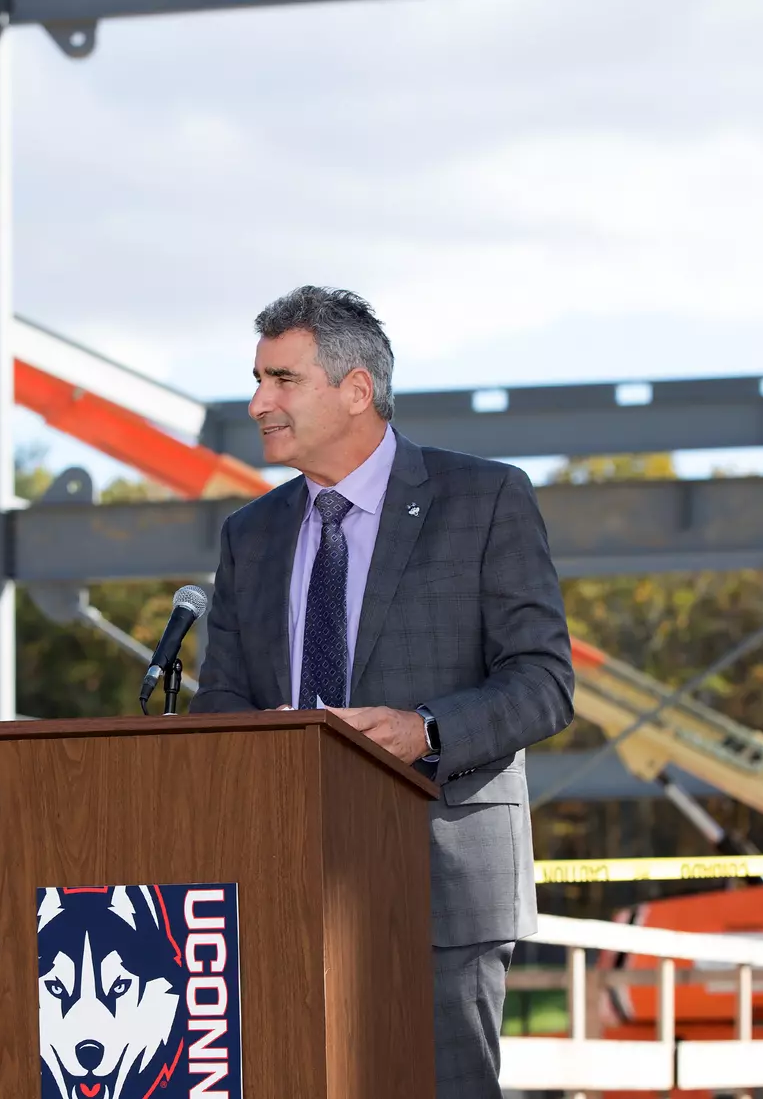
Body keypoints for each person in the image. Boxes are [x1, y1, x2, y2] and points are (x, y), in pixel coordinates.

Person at [191, 285, 575, 1098]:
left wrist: (424, 729)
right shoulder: (249, 535)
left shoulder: (486, 499)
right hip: (280, 883)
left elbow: (544, 683)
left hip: (442, 880)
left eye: (282, 380)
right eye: (257, 379)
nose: (258, 402)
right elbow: (218, 706)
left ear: (356, 389)